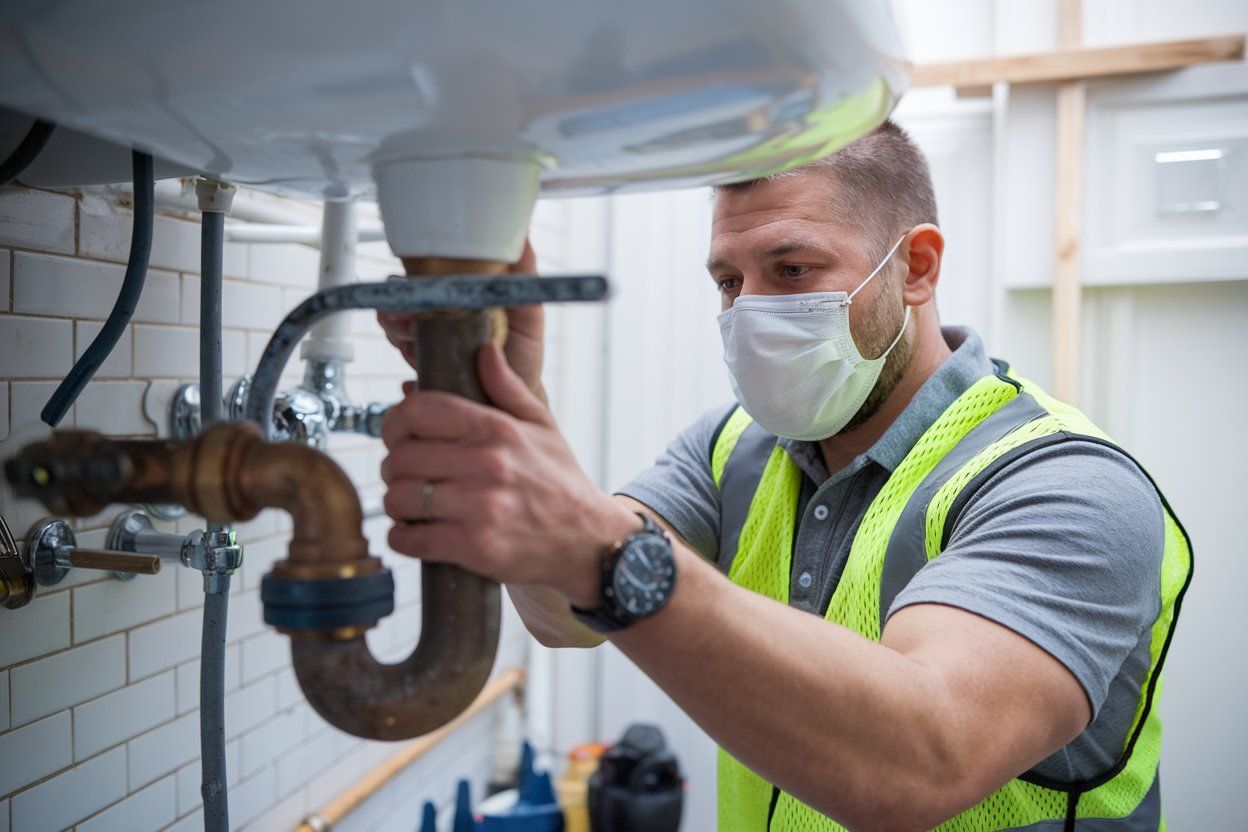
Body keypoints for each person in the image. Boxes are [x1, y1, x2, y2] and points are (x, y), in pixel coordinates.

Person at [376, 121, 1190, 832]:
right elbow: (565, 615)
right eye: (728, 282)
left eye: (792, 270)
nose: (749, 312)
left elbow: (923, 764)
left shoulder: (1065, 485)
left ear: (916, 268)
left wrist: (595, 546)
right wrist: (513, 411)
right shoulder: (734, 447)